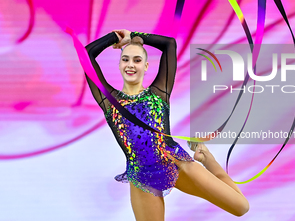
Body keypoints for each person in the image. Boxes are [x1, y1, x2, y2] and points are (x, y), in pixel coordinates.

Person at [84, 29, 249, 221]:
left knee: (241, 207)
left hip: (176, 163)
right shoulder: (109, 100)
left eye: (137, 60)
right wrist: (113, 36)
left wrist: (132, 36)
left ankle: (206, 157)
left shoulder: (159, 92)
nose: (131, 65)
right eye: (125, 59)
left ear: (146, 66)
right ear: (119, 64)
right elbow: (87, 54)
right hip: (141, 175)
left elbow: (169, 44)